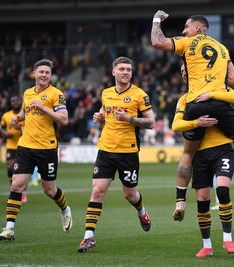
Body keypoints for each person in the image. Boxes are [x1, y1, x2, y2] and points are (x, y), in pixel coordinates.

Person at [151, 10, 234, 208]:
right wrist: (213, 82)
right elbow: (232, 81)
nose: (184, 30)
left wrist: (156, 20)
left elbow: (157, 41)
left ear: (197, 28)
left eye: (186, 27)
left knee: (188, 154)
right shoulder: (222, 49)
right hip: (220, 104)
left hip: (195, 104)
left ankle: (180, 201)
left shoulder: (188, 43)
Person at [77, 56, 155, 253]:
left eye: (129, 69)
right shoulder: (106, 93)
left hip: (128, 153)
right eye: (122, 69)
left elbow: (151, 122)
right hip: (106, 150)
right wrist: (100, 115)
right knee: (97, 191)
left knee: (130, 195)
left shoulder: (139, 95)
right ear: (113, 72)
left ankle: (142, 211)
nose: (126, 72)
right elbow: (105, 109)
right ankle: (88, 236)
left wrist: (129, 118)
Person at [0, 59, 72, 241]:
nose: (44, 75)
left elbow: (63, 120)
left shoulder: (56, 94)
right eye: (41, 72)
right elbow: (26, 113)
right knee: (16, 185)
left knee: (49, 190)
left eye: (47, 73)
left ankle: (65, 209)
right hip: (25, 146)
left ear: (50, 75)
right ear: (34, 73)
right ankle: (9, 228)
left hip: (46, 148)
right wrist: (18, 119)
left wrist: (43, 107)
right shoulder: (28, 93)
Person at [171, 88, 234, 257]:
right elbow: (176, 125)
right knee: (202, 199)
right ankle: (207, 246)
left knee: (222, 189)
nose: (185, 73)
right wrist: (197, 123)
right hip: (200, 154)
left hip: (223, 148)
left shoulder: (219, 90)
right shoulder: (184, 99)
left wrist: (211, 95)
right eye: (183, 71)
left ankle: (228, 239)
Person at [0, 95, 28, 203]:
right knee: (10, 167)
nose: (15, 102)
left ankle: (23, 192)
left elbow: (31, 128)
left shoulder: (26, 115)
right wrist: (5, 134)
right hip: (11, 146)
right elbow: (1, 127)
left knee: (22, 171)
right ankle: (14, 189)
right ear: (10, 103)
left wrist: (20, 128)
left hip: (23, 145)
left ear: (21, 102)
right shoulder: (6, 115)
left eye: (17, 100)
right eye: (13, 100)